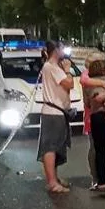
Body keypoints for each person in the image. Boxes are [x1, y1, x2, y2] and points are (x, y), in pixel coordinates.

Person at [37, 41, 75, 194]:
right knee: (51, 147)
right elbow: (69, 84)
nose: (64, 51)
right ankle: (52, 182)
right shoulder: (51, 67)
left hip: (58, 112)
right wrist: (68, 70)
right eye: (62, 48)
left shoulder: (52, 66)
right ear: (56, 50)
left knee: (56, 146)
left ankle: (54, 178)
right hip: (53, 113)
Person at [81, 53, 105, 192]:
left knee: (99, 150)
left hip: (96, 117)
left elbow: (87, 103)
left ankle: (101, 182)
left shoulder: (87, 83)